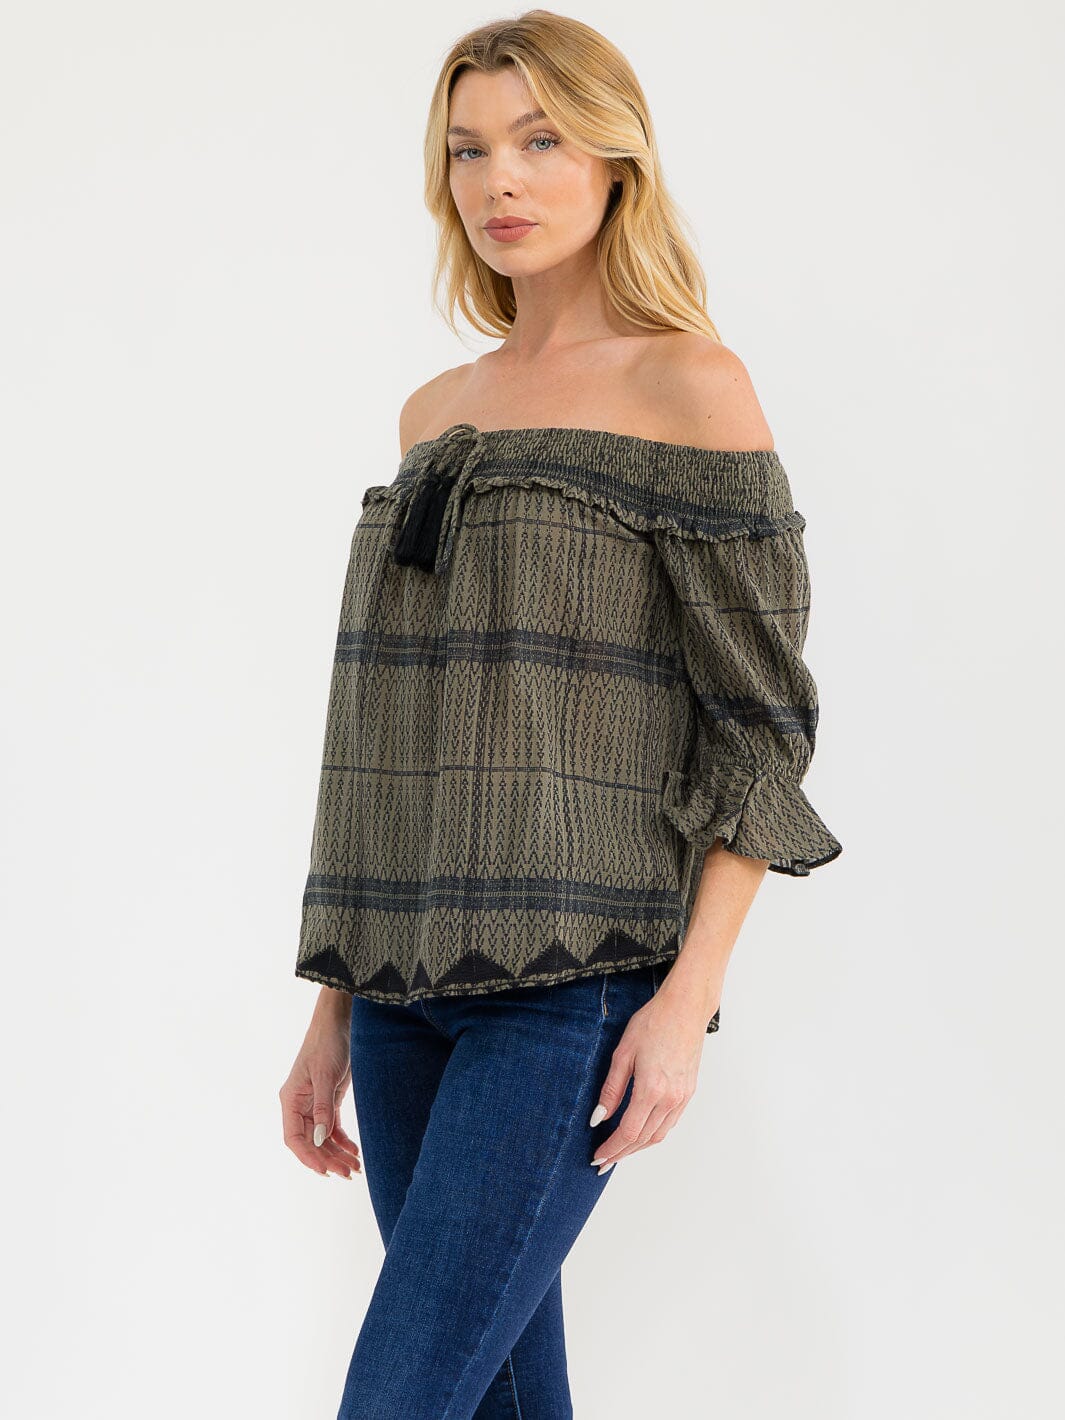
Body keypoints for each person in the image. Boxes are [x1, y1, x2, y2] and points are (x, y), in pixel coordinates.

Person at [279, 12, 843, 1418]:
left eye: (539, 140)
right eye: (468, 149)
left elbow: (759, 721)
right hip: (401, 991)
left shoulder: (688, 385)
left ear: (614, 159)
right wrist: (335, 1006)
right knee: (494, 1399)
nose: (500, 180)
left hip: (569, 984)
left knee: (398, 1398)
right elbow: (396, 734)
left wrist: (687, 998)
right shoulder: (435, 415)